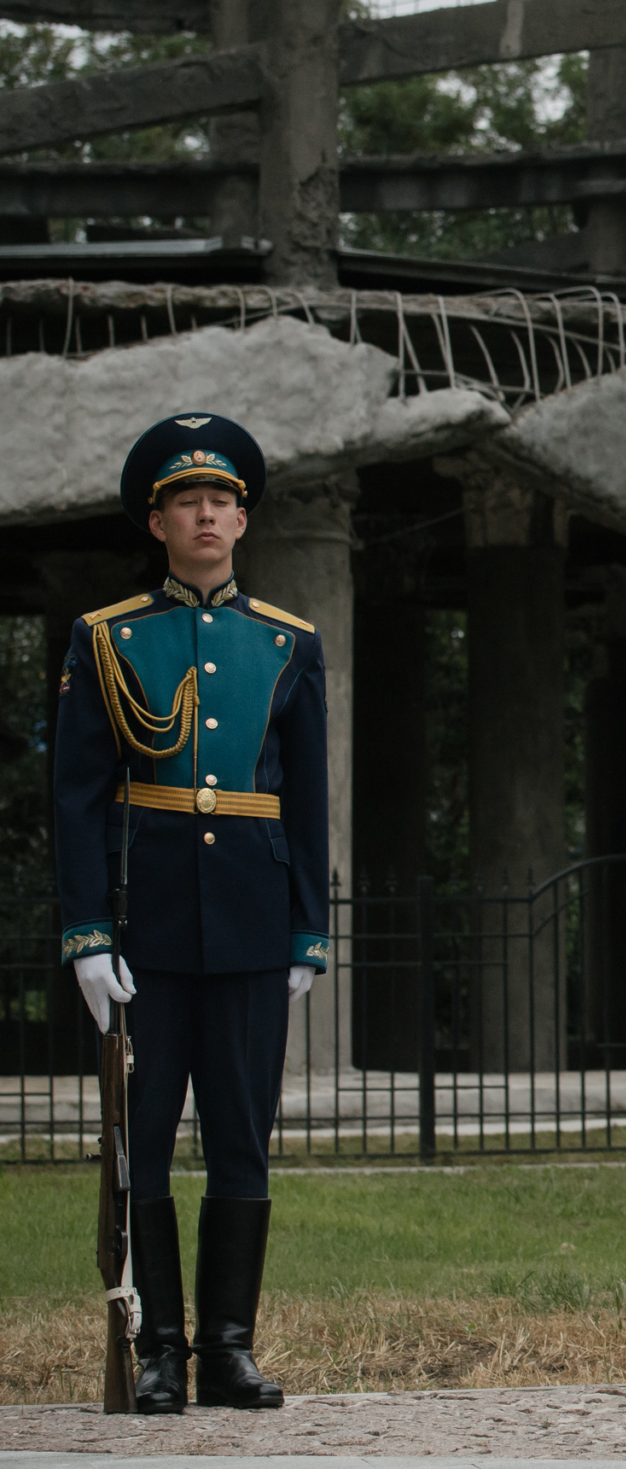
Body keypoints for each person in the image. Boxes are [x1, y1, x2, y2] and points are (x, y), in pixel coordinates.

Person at [56, 412, 327, 1414]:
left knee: (242, 1139)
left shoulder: (289, 643)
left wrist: (308, 928)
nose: (206, 513)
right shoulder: (108, 638)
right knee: (145, 1140)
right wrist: (87, 934)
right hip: (149, 922)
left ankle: (230, 1349)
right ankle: (159, 1348)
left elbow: (307, 799)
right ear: (157, 522)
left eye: (221, 500)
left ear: (242, 521)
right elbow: (78, 797)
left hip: (254, 920)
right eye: (186, 501)